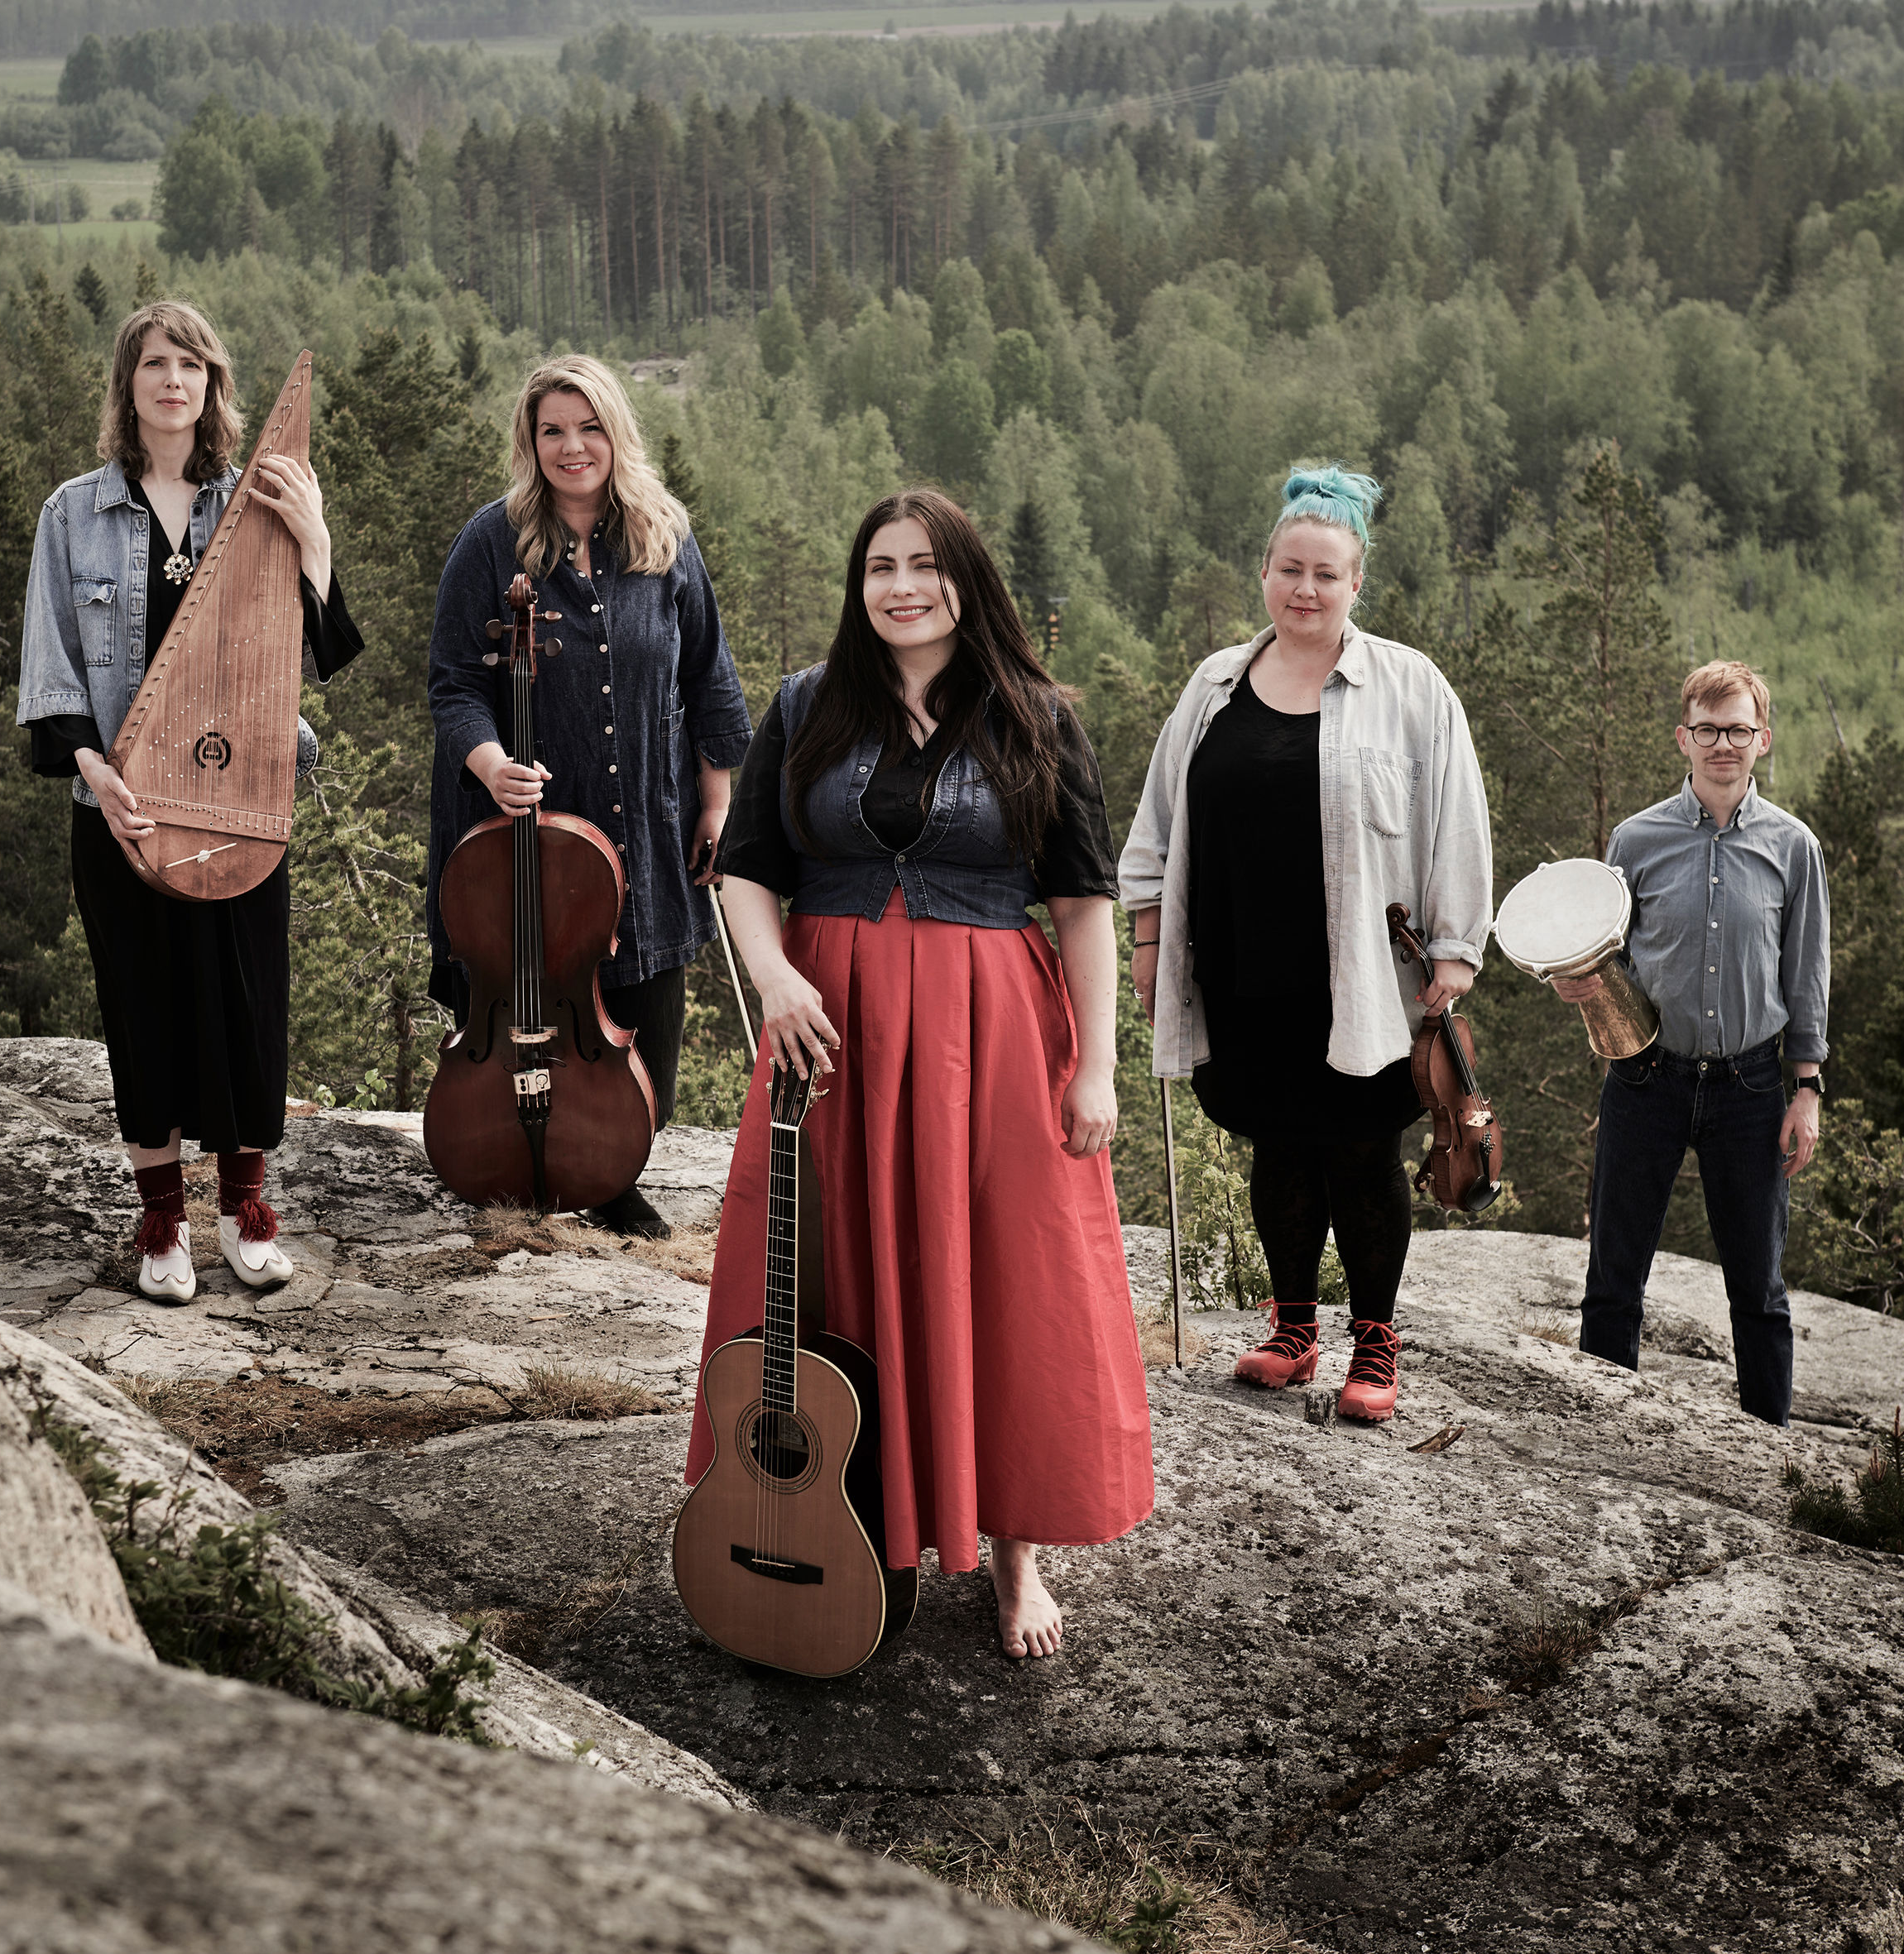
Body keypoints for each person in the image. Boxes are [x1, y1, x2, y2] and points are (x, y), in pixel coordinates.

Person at [693, 487, 1152, 1661]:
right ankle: (859, 1517)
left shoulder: (1035, 715)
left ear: (964, 580)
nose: (899, 586)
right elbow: (742, 869)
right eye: (878, 566)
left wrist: (1094, 1064)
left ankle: (1013, 1556)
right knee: (831, 1268)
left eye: (922, 565)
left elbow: (1084, 907)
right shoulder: (806, 705)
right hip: (828, 1030)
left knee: (996, 1275)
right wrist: (777, 978)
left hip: (990, 1032)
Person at [1118, 466, 1492, 1423]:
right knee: (1278, 1146)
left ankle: (1375, 1341)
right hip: (1242, 969)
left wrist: (1454, 953)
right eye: (1291, 569)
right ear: (1265, 571)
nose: (1306, 590)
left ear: (1357, 583)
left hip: (1363, 977)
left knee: (1363, 1152)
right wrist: (1151, 936)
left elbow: (1458, 821)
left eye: (1327, 574)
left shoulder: (1409, 687)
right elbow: (1161, 822)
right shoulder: (1215, 687)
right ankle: (1293, 1326)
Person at [16, 300, 367, 1303]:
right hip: (121, 812)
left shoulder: (253, 501)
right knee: (146, 1013)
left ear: (213, 387)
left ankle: (245, 1216)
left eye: (192, 366)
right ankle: (162, 1225)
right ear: (128, 386)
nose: (174, 381)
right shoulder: (71, 513)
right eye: (155, 365)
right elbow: (51, 675)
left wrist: (315, 544)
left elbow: (321, 653)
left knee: (247, 1010)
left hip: (240, 806)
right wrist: (97, 773)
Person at [425, 355, 752, 1239]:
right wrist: (491, 762)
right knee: (521, 1006)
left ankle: (613, 1173)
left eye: (589, 426)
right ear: (531, 443)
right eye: (553, 431)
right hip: (521, 842)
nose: (573, 447)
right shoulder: (491, 542)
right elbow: (454, 682)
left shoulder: (663, 537)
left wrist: (718, 803)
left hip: (646, 827)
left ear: (617, 432)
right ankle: (515, 1163)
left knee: (643, 1039)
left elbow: (710, 678)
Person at [1555, 660, 1826, 1425]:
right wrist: (1576, 980)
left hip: (1750, 1089)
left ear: (1761, 739)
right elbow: (1592, 948)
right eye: (1707, 730)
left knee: (1759, 1290)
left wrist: (1805, 1090)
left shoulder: (1792, 847)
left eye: (1738, 730)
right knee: (1614, 1277)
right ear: (1684, 737)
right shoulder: (1634, 841)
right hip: (1646, 1079)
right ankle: (1600, 1438)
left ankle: (1770, 1451)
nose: (1722, 745)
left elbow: (1806, 974)